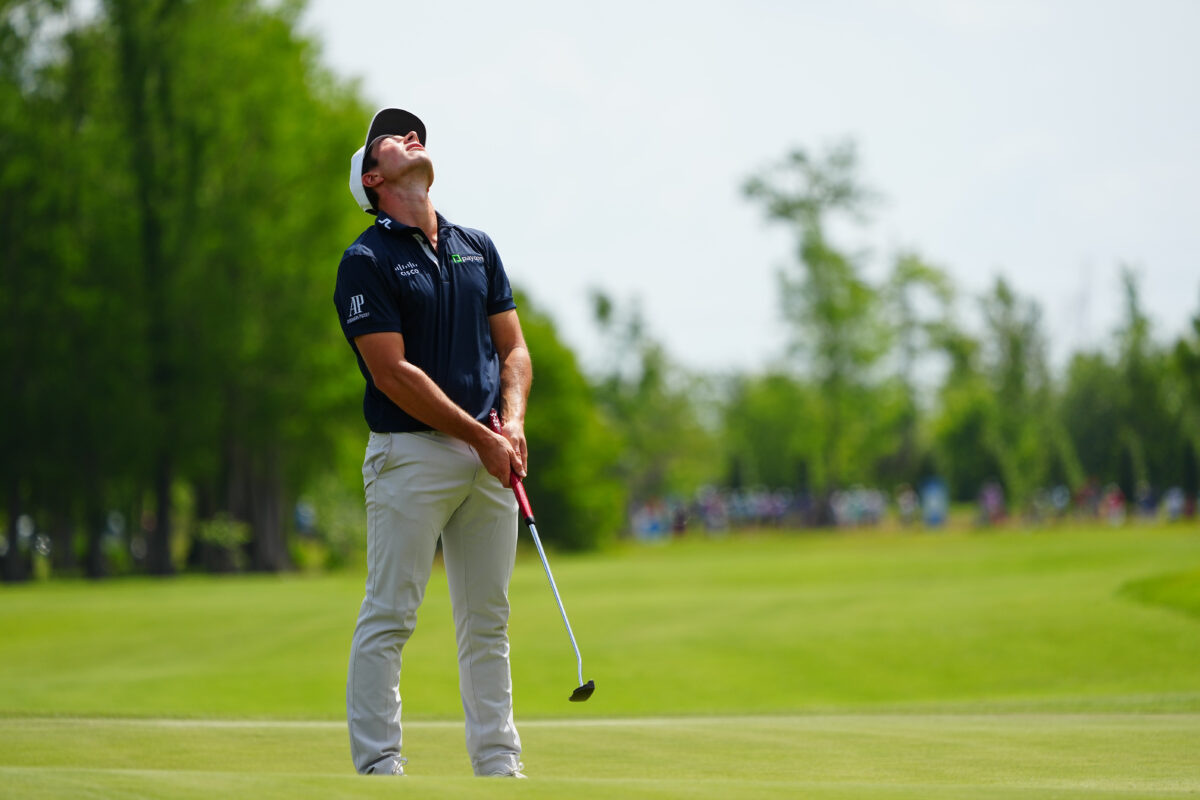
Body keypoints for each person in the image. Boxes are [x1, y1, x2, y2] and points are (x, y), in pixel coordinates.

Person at [333, 108, 532, 778]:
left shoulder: (477, 245)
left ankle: (499, 768)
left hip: (489, 454)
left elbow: (514, 350)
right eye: (391, 137)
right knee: (391, 614)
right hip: (411, 455)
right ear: (372, 177)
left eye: (415, 132)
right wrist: (480, 435)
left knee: (489, 621)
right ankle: (380, 770)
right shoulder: (366, 260)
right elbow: (392, 373)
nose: (411, 137)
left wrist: (513, 422)